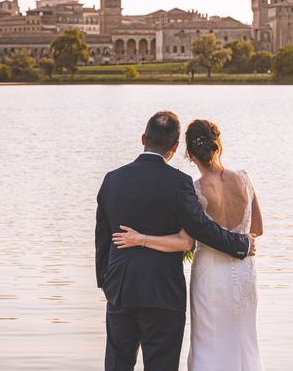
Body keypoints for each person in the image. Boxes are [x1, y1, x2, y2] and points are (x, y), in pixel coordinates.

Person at [95, 112, 256, 371]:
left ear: (143, 138)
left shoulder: (112, 179)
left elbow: (102, 237)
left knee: (117, 366)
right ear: (174, 147)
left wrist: (106, 282)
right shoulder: (178, 183)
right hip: (164, 294)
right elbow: (201, 229)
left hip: (121, 291)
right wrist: (241, 244)